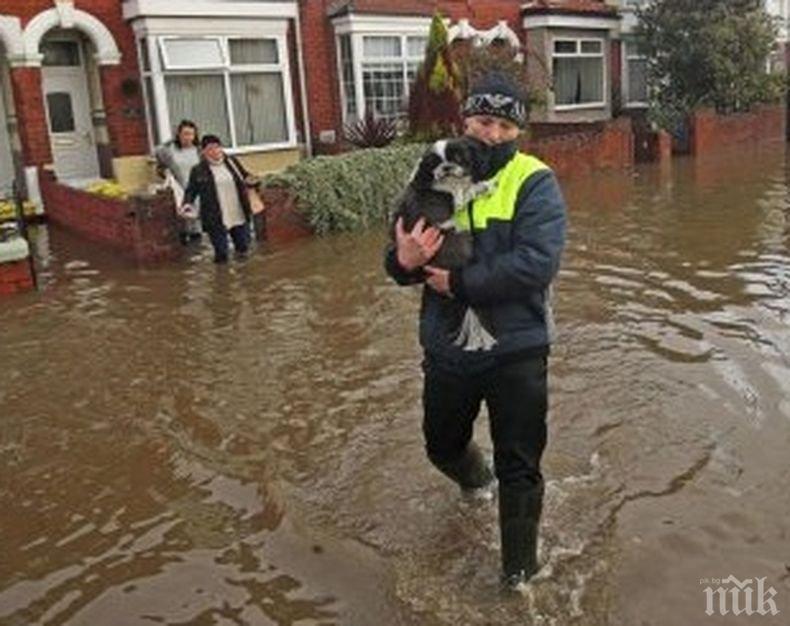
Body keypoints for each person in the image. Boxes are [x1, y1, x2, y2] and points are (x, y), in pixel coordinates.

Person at [383, 71, 567, 592]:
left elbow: (537, 264)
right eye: (484, 121)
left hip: (518, 348)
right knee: (441, 446)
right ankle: (475, 481)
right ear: (465, 120)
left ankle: (519, 576)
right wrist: (404, 259)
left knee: (521, 466)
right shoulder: (433, 171)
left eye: (506, 126)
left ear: (518, 132)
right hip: (447, 348)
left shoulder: (535, 181)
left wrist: (459, 282)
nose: (493, 134)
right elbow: (394, 260)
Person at [182, 135, 258, 264]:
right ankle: (222, 279)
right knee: (222, 254)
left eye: (217, 147)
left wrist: (254, 181)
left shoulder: (232, 163)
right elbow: (191, 190)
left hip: (237, 212)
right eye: (210, 148)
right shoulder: (198, 170)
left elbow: (245, 176)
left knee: (243, 249)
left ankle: (244, 276)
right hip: (215, 217)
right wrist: (187, 204)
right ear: (203, 151)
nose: (215, 151)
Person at [155, 119, 202, 244]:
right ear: (179, 134)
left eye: (191, 134)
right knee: (182, 222)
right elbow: (160, 167)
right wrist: (165, 174)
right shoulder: (169, 151)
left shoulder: (199, 150)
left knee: (196, 225)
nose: (188, 137)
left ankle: (197, 249)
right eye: (185, 134)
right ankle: (184, 246)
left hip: (197, 192)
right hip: (179, 191)